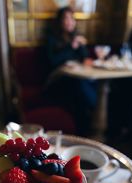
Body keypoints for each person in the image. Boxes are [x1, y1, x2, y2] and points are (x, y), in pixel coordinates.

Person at [44, 6, 97, 136]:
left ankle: (90, 124)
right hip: (56, 81)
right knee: (79, 87)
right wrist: (70, 46)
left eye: (72, 19)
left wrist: (81, 45)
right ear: (60, 21)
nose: (70, 22)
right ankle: (95, 114)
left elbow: (85, 59)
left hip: (74, 80)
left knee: (85, 85)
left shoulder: (76, 37)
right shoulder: (51, 39)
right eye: (66, 18)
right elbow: (53, 61)